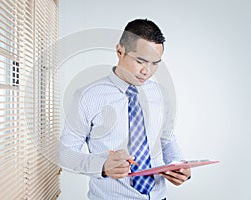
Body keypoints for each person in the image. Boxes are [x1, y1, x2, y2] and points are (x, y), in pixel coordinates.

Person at [58, 18, 191, 200]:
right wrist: (102, 166)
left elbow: (166, 139)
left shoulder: (161, 94)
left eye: (155, 63)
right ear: (120, 51)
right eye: (141, 61)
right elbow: (65, 154)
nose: (147, 71)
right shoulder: (87, 96)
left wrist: (179, 165)